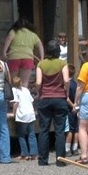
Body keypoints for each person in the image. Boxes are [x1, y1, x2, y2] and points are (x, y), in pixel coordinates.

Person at [35, 39, 70, 167]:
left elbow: (38, 82)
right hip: (59, 97)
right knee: (59, 130)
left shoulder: (41, 64)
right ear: (58, 51)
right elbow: (66, 80)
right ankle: (60, 160)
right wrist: (65, 90)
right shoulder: (62, 63)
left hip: (45, 98)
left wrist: (38, 92)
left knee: (43, 129)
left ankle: (43, 160)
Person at [3, 18, 43, 89]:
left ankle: (15, 98)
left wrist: (4, 52)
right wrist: (42, 58)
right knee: (25, 82)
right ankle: (24, 98)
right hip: (28, 58)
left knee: (13, 81)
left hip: (14, 57)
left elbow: (9, 38)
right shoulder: (33, 34)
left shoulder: (13, 31)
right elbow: (40, 45)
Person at [11, 73, 37, 160]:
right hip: (30, 113)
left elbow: (16, 103)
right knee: (31, 134)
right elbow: (32, 101)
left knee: (21, 134)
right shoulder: (26, 89)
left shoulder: (14, 90)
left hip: (22, 114)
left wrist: (13, 113)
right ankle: (33, 154)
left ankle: (24, 153)